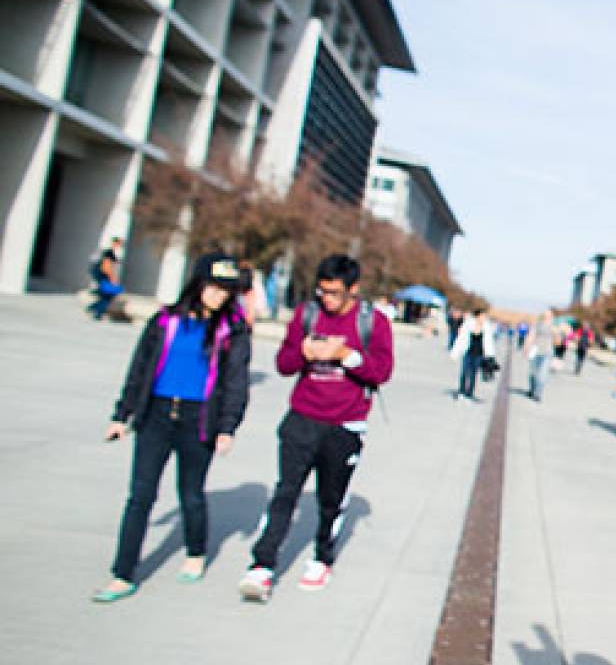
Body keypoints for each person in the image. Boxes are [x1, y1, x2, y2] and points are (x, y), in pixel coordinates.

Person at [93, 253, 251, 602]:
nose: (219, 295)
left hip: (199, 421)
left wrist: (227, 427)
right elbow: (139, 370)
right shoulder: (165, 321)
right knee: (141, 496)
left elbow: (236, 383)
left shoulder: (232, 331)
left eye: (226, 290)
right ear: (197, 283)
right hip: (156, 416)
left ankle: (196, 552)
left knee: (191, 494)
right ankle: (122, 574)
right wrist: (122, 415)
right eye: (213, 287)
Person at [239, 254, 394, 602]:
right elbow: (283, 364)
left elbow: (381, 371)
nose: (327, 299)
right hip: (302, 420)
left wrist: (346, 356)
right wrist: (304, 353)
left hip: (345, 427)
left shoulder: (374, 322)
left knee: (331, 500)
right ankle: (262, 565)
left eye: (335, 293)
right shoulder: (307, 314)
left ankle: (322, 558)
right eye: (322, 291)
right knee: (285, 493)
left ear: (353, 290)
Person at [451, 309, 495, 401]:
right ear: (478, 316)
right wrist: (455, 352)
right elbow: (461, 339)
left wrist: (490, 355)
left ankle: (469, 392)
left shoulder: (486, 327)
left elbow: (489, 343)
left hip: (479, 354)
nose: (484, 318)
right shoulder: (468, 325)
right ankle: (462, 391)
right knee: (464, 372)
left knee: (474, 373)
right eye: (483, 316)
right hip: (468, 352)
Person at [88, 236, 124, 321]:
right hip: (104, 277)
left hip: (102, 277)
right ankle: (96, 311)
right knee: (107, 296)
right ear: (115, 243)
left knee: (106, 296)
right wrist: (113, 279)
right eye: (119, 243)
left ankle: (93, 308)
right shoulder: (109, 253)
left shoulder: (109, 252)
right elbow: (106, 267)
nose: (120, 245)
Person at [525, 310, 558, 402]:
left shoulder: (554, 327)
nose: (547, 317)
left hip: (547, 353)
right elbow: (531, 336)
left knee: (542, 374)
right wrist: (526, 347)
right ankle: (532, 390)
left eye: (549, 315)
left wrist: (556, 334)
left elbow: (558, 343)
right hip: (535, 351)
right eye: (545, 315)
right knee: (533, 373)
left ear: (551, 317)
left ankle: (538, 394)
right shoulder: (537, 325)